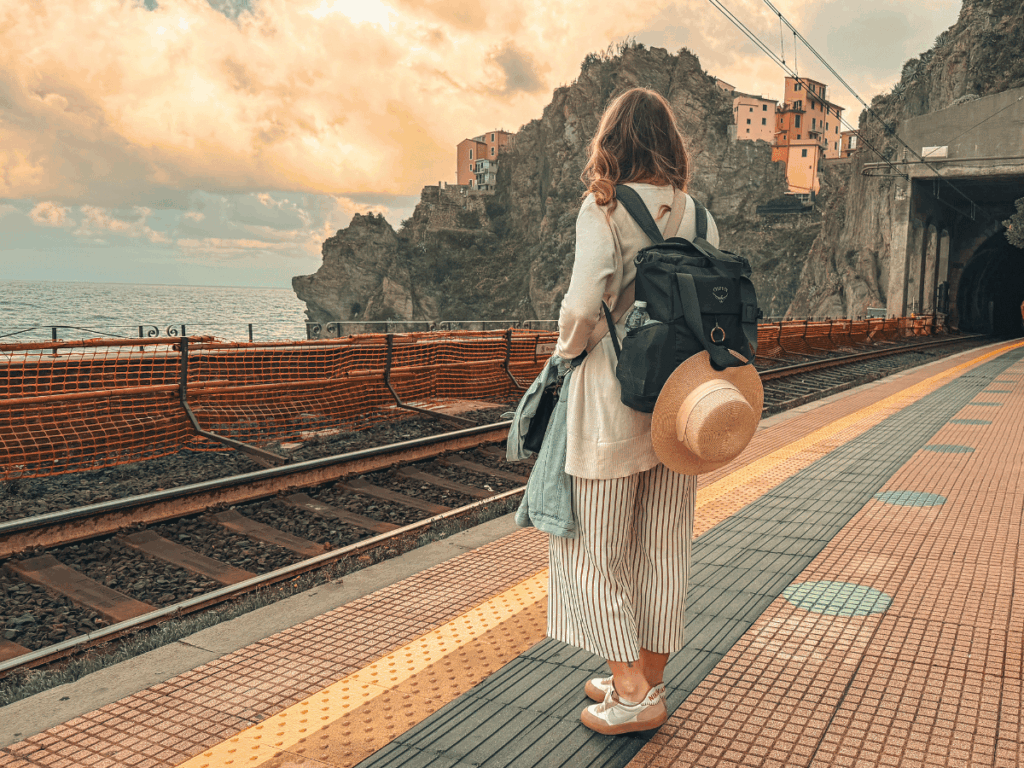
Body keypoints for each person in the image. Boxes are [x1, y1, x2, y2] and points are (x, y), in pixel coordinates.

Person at [548, 87, 721, 735]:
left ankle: (631, 694)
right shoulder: (699, 216)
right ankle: (648, 673)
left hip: (612, 403)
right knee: (663, 548)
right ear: (670, 143)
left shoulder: (604, 209)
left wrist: (567, 350)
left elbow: (583, 307)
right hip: (681, 406)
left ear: (612, 142)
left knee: (597, 550)